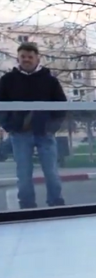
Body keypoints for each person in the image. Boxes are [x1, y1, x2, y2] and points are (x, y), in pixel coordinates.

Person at [0, 42, 68, 209]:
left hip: (45, 133)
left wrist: (51, 128)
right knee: (23, 173)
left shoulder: (50, 81)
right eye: (23, 56)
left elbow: (61, 106)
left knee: (51, 172)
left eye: (30, 57)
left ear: (37, 58)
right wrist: (9, 126)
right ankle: (27, 206)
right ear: (18, 58)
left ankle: (56, 203)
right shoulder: (7, 81)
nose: (26, 60)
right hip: (20, 134)